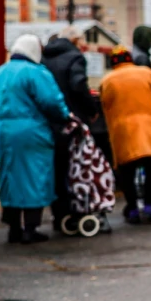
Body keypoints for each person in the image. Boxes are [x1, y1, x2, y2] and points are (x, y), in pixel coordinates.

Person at [0, 34, 71, 244]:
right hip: (33, 131)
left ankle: (13, 228)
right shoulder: (36, 72)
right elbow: (52, 102)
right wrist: (65, 117)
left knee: (10, 177)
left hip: (5, 131)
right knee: (35, 176)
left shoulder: (0, 72)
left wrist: (0, 121)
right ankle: (30, 228)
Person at [100, 47, 151, 223]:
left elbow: (105, 106)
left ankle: (132, 209)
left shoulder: (107, 80)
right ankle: (148, 206)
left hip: (123, 131)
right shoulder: (146, 74)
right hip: (148, 128)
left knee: (126, 172)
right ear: (130, 59)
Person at [42, 27, 98, 232]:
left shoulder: (44, 58)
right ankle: (77, 211)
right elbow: (78, 85)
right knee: (76, 168)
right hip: (72, 121)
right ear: (74, 40)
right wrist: (91, 108)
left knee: (57, 169)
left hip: (50, 121)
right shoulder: (75, 58)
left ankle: (60, 214)